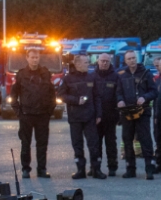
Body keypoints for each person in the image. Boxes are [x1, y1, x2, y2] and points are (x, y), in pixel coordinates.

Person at [59, 54, 105, 179]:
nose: (88, 64)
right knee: (77, 145)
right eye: (85, 62)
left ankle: (96, 169)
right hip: (75, 117)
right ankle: (80, 170)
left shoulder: (92, 77)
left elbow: (97, 97)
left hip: (90, 116)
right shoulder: (68, 79)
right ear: (77, 64)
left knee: (94, 145)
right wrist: (75, 100)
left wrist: (99, 114)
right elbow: (61, 95)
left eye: (88, 62)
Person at [11, 48, 55, 179]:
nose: (35, 59)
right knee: (25, 144)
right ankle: (26, 169)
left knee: (42, 144)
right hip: (26, 114)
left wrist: (50, 111)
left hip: (42, 115)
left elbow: (52, 93)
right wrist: (18, 111)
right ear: (27, 58)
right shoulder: (21, 74)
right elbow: (14, 94)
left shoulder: (46, 73)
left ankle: (42, 169)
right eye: (32, 57)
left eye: (37, 57)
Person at [116, 49, 157, 180]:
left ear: (137, 59)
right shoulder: (122, 75)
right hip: (127, 113)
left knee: (145, 140)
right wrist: (120, 100)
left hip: (142, 112)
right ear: (125, 61)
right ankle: (130, 169)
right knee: (127, 140)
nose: (132, 60)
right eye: (129, 59)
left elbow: (154, 91)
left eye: (133, 58)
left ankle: (149, 169)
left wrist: (145, 98)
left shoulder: (146, 74)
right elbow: (118, 92)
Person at [92, 53, 121, 176]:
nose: (104, 63)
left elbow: (118, 94)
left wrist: (118, 113)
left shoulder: (115, 77)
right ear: (98, 61)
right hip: (95, 116)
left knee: (111, 143)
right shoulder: (92, 76)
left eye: (107, 61)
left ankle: (112, 167)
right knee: (95, 144)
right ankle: (95, 167)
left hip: (110, 115)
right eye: (102, 61)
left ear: (110, 62)